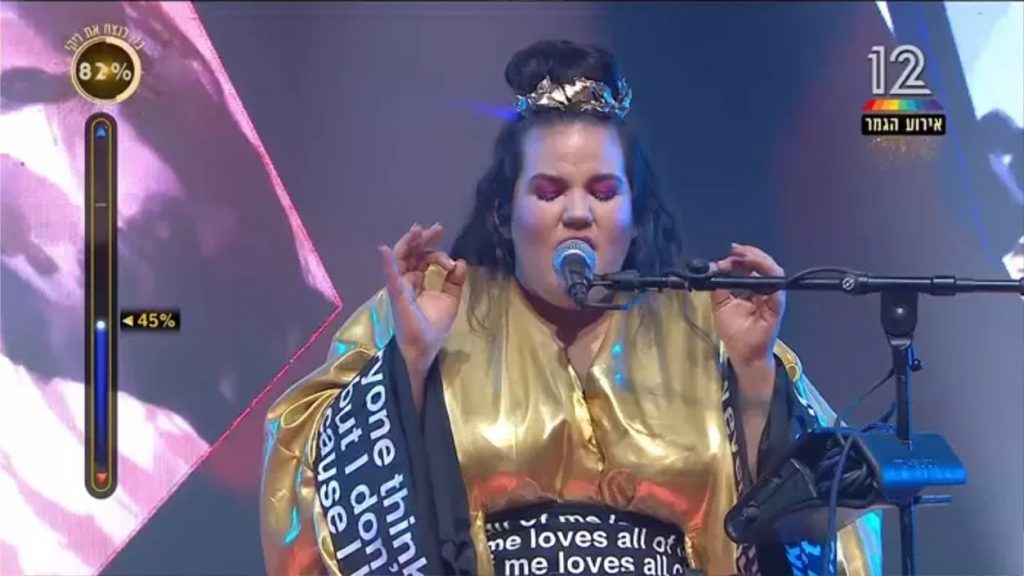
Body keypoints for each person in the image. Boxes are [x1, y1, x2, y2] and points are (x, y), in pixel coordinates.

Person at [260, 40, 880, 576]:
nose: (578, 213)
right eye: (550, 191)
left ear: (635, 213)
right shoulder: (432, 306)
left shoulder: (710, 324)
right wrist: (410, 367)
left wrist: (753, 376)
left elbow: (820, 513)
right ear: (505, 211)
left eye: (603, 191)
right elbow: (305, 475)